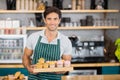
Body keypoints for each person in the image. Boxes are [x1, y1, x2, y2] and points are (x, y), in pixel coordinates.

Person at [22, 6, 72, 80]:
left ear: (59, 20)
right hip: (35, 78)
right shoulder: (33, 37)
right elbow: (25, 56)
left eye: (55, 19)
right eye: (49, 19)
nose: (52, 22)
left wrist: (62, 70)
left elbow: (67, 63)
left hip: (54, 78)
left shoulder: (65, 41)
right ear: (45, 20)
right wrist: (29, 68)